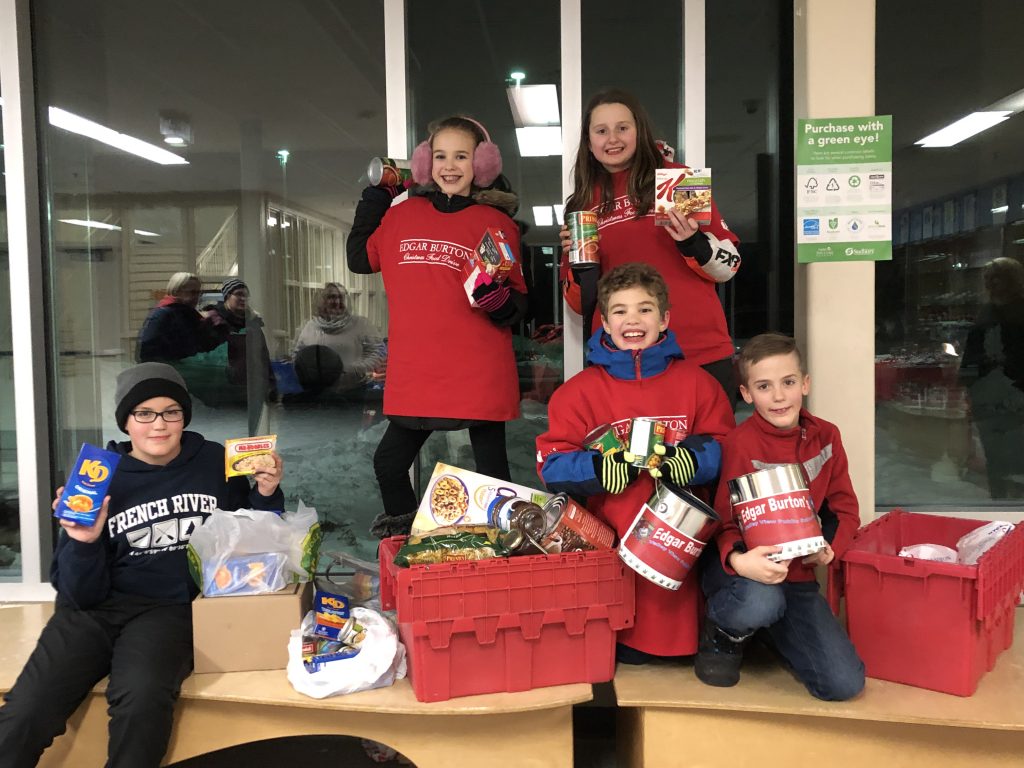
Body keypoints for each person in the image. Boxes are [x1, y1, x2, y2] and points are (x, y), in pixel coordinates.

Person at [0, 362, 284, 767]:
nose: (159, 425)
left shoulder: (214, 462)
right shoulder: (97, 477)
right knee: (28, 708)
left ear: (184, 416)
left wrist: (268, 492)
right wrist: (84, 541)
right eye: (144, 413)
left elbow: (257, 539)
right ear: (126, 422)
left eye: (172, 411)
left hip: (167, 610)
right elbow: (78, 594)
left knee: (141, 698)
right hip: (91, 612)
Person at [536, 263, 734, 663]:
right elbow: (550, 466)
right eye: (620, 311)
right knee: (617, 662)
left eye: (645, 309)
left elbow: (730, 450)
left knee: (677, 661)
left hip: (681, 558)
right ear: (605, 323)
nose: (633, 319)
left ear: (664, 319)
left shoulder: (698, 384)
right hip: (611, 558)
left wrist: (694, 461)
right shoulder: (577, 393)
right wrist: (595, 470)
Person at [347, 116, 528, 538]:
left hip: (477, 372)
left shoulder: (496, 223)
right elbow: (360, 258)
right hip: (418, 372)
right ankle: (410, 547)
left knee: (493, 480)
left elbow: (518, 306)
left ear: (480, 164)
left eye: (461, 156)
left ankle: (504, 561)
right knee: (389, 464)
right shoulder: (403, 215)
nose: (450, 165)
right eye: (441, 155)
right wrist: (377, 196)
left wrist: (496, 301)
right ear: (427, 162)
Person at [697, 333, 864, 701]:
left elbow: (845, 510)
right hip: (743, 572)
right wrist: (741, 561)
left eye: (788, 382)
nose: (778, 396)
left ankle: (769, 630)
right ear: (746, 394)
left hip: (798, 576)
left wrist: (829, 550)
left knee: (843, 684)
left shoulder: (827, 436)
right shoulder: (737, 445)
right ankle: (725, 630)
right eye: (764, 386)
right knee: (762, 600)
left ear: (805, 383)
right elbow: (722, 523)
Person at [561, 89, 742, 398]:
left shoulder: (675, 178)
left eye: (622, 127)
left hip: (697, 350)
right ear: (589, 142)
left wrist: (693, 242)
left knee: (708, 447)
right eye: (601, 131)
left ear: (639, 131)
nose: (612, 138)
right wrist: (581, 269)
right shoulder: (581, 204)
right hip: (624, 360)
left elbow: (730, 265)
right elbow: (579, 306)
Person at [959, 257, 1024, 499]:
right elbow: (972, 354)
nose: (991, 283)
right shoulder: (986, 312)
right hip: (987, 397)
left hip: (1017, 398)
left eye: (997, 278)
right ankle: (998, 498)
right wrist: (968, 386)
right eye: (988, 279)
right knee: (994, 455)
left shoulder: (1019, 312)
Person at [292, 282, 384, 395]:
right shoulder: (310, 326)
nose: (337, 302)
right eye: (332, 297)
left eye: (341, 297)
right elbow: (297, 356)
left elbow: (377, 352)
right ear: (322, 301)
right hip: (316, 395)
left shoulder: (361, 324)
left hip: (354, 393)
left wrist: (351, 370)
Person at [207, 278, 276, 403]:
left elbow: (262, 357)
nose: (243, 299)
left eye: (246, 295)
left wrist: (271, 385)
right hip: (219, 390)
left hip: (249, 392)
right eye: (239, 294)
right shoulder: (214, 321)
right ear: (227, 296)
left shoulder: (252, 323)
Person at [136, 272, 227, 363]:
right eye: (192, 292)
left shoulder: (187, 314)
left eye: (199, 293)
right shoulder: (164, 315)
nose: (197, 297)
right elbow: (146, 352)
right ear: (176, 291)